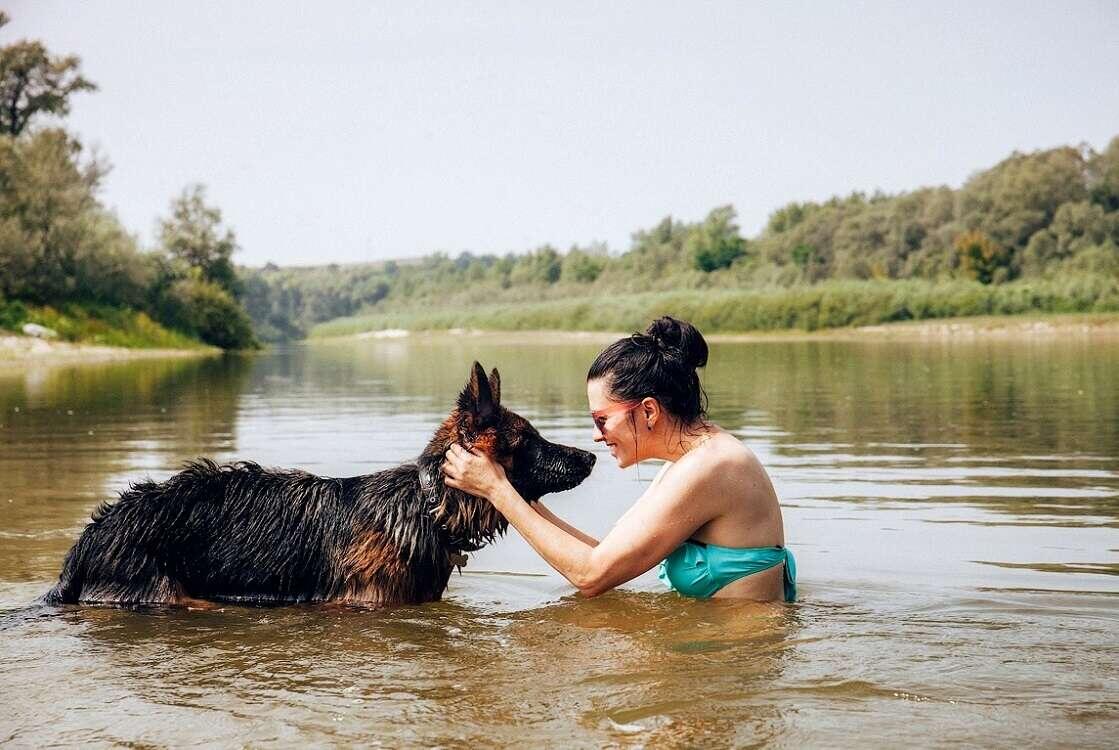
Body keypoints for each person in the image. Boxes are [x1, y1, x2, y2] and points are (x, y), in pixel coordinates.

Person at [441, 316, 795, 602]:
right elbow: (606, 555)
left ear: (649, 411)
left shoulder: (713, 467)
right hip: (717, 651)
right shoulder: (691, 460)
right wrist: (519, 498)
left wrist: (498, 491)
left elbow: (591, 575)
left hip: (741, 661)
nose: (597, 434)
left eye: (601, 419)